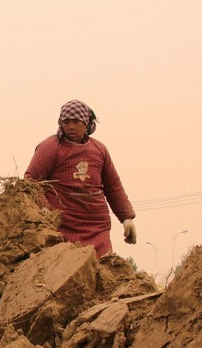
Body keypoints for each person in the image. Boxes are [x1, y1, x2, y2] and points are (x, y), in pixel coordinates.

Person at [24, 99, 137, 258]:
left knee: (102, 268)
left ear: (85, 123)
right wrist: (45, 210)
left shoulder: (99, 150)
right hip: (63, 226)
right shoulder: (51, 147)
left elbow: (113, 186)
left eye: (76, 122)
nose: (70, 127)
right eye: (66, 122)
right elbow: (32, 180)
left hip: (97, 227)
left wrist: (126, 218)